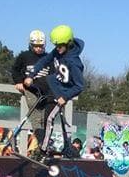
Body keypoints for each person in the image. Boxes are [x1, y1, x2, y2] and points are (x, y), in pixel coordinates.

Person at [19, 24, 85, 161]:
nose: (57, 49)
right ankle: (45, 146)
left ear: (69, 43)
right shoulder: (57, 51)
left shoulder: (74, 63)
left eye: (60, 46)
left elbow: (79, 86)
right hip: (51, 86)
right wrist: (31, 75)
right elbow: (44, 61)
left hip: (62, 94)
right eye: (56, 45)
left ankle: (42, 151)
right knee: (42, 117)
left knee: (49, 119)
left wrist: (65, 97)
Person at [11, 29, 50, 151]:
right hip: (31, 90)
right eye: (36, 46)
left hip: (45, 91)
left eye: (41, 46)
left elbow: (53, 73)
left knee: (45, 118)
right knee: (35, 116)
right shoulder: (24, 56)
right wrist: (18, 82)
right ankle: (41, 142)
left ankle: (43, 145)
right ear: (31, 45)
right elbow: (15, 69)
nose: (38, 49)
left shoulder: (48, 58)